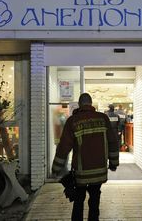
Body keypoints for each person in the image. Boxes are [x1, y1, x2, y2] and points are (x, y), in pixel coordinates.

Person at [52, 93, 120, 221]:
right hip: (99, 171)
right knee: (95, 200)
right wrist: (113, 163)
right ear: (91, 103)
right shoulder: (103, 118)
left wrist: (56, 167)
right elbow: (113, 141)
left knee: (78, 200)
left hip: (81, 172)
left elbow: (63, 147)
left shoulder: (73, 121)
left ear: (79, 104)